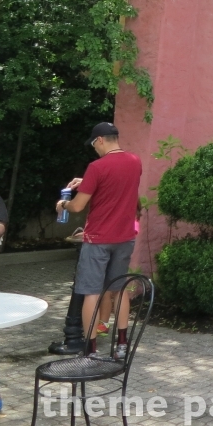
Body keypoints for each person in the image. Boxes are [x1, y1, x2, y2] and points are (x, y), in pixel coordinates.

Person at [56, 122, 141, 360]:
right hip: (124, 238)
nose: (94, 149)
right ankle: (122, 345)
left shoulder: (97, 167)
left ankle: (91, 349)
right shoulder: (135, 162)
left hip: (97, 239)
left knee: (91, 292)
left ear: (100, 140)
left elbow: (79, 205)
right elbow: (116, 185)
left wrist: (63, 205)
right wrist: (87, 181)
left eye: (94, 144)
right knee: (119, 289)